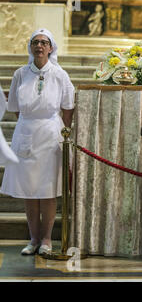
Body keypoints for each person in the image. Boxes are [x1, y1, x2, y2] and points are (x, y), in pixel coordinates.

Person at [0, 28, 75, 256]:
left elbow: (68, 107)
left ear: (51, 48)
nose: (39, 46)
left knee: (47, 190)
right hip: (26, 133)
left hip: (51, 133)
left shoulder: (60, 74)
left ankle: (46, 240)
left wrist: (64, 131)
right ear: (31, 47)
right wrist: (29, 122)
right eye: (35, 42)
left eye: (44, 42)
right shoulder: (20, 74)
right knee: (28, 190)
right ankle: (32, 239)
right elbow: (14, 107)